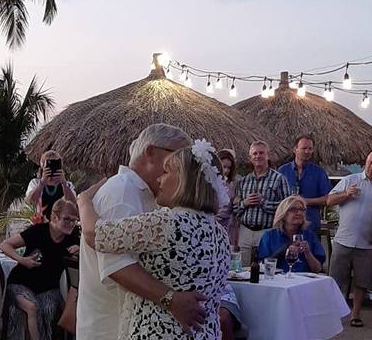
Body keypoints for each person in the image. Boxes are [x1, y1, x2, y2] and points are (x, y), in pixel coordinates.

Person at [79, 139, 230, 339]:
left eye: (167, 172)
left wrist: (83, 202)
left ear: (184, 180)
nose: (160, 179)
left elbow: (95, 235)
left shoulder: (164, 223)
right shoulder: (220, 234)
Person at [0, 197, 80, 340]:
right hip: (20, 283)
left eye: (74, 221)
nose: (71, 224)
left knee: (49, 309)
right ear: (54, 217)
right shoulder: (38, 231)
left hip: (49, 288)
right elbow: (5, 245)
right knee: (32, 307)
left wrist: (80, 252)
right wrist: (22, 260)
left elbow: (82, 262)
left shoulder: (72, 239)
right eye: (67, 219)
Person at [326, 150, 372, 328]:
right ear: (365, 162)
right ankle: (335, 314)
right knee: (337, 278)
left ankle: (355, 314)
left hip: (367, 244)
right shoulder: (350, 180)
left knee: (362, 281)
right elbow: (329, 200)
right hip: (343, 239)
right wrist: (345, 194)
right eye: (370, 162)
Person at [233, 141, 289, 260]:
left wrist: (263, 202)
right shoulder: (243, 182)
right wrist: (245, 203)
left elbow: (287, 208)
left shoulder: (279, 179)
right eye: (255, 154)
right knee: (242, 270)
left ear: (268, 155)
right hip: (245, 232)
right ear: (250, 158)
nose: (258, 156)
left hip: (267, 231)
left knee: (265, 269)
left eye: (261, 153)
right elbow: (235, 209)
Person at [257, 195, 325, 274]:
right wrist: (284, 250)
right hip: (277, 280)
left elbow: (317, 269)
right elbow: (263, 266)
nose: (299, 212)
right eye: (293, 209)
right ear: (283, 214)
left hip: (303, 282)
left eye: (301, 209)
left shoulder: (309, 235)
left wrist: (308, 253)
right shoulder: (269, 236)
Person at [277, 135, 331, 233]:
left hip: (311, 225)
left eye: (310, 149)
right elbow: (276, 197)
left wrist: (306, 201)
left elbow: (328, 198)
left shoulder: (319, 172)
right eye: (304, 148)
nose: (307, 151)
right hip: (287, 226)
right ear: (295, 149)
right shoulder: (282, 171)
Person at [25, 151, 77, 222]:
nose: (52, 168)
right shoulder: (35, 183)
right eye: (49, 165)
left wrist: (64, 184)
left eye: (56, 164)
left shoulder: (68, 185)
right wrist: (42, 183)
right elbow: (30, 201)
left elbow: (72, 203)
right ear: (42, 166)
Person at [215, 149, 238, 242]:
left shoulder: (232, 184)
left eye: (229, 168)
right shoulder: (208, 182)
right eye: (224, 167)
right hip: (211, 222)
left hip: (227, 225)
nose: (226, 171)